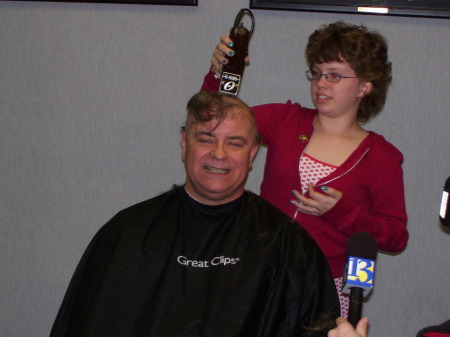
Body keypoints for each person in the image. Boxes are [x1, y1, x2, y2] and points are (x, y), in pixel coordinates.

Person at [49, 91, 340, 337]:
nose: (219, 153)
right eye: (206, 139)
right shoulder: (126, 233)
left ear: (252, 154)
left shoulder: (286, 244)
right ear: (184, 143)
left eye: (235, 143)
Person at [201, 21, 409, 316]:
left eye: (334, 76)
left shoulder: (382, 157)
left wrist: (343, 213)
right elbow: (212, 122)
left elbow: (395, 236)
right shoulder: (284, 119)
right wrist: (219, 75)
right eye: (317, 73)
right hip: (259, 274)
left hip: (328, 287)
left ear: (365, 86)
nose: (321, 83)